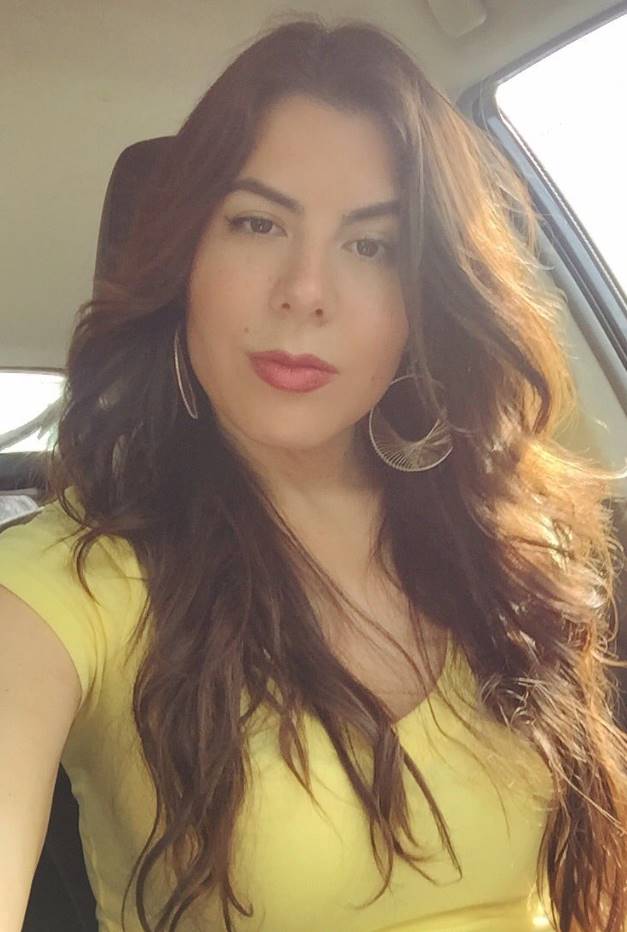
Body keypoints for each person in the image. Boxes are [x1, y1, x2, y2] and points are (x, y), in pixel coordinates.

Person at [1, 15, 626, 932]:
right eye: (257, 223)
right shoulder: (67, 585)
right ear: (185, 263)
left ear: (422, 297)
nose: (305, 290)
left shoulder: (515, 541)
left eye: (370, 245)